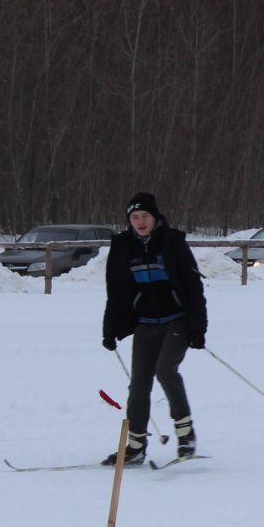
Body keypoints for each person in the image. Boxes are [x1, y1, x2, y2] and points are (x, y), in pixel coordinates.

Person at [101, 192, 207, 466]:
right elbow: (116, 291)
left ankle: (186, 436)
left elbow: (193, 286)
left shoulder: (172, 243)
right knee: (139, 384)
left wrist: (198, 328)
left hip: (177, 320)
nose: (140, 221)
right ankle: (135, 446)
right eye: (134, 217)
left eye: (145, 216)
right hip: (145, 324)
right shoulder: (124, 246)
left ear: (155, 217)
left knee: (165, 370)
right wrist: (110, 329)